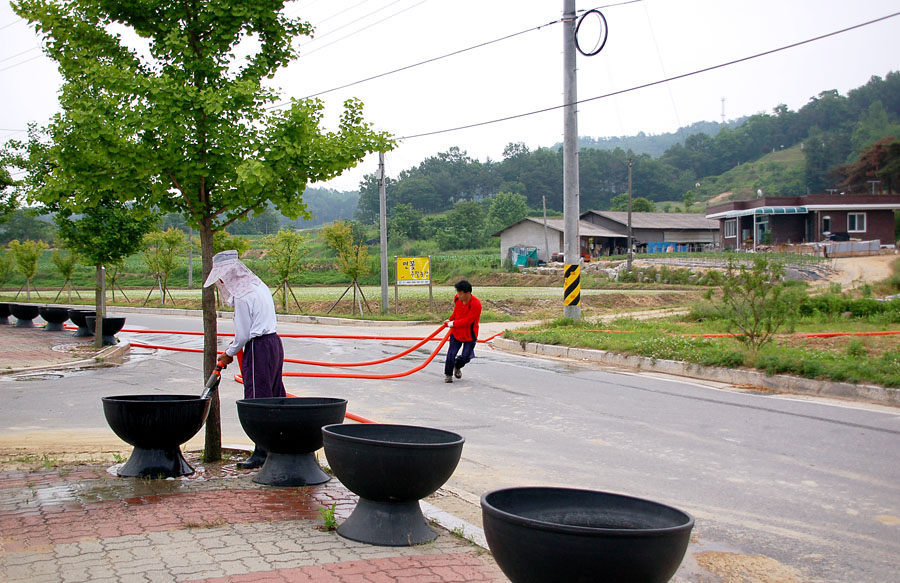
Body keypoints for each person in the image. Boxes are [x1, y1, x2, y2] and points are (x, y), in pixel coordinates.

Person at [203, 249, 286, 469]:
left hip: (258, 347)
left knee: (257, 400)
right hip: (275, 344)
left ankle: (262, 451)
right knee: (275, 395)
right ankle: (279, 446)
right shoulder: (260, 286)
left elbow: (242, 335)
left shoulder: (242, 296)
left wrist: (227, 354)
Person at [442, 280, 482, 383]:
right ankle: (448, 375)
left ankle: (457, 365)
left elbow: (468, 321)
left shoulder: (476, 304)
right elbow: (456, 311)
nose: (458, 295)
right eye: (458, 293)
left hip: (470, 334)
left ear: (468, 293)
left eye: (460, 293)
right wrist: (450, 319)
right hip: (456, 332)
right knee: (451, 353)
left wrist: (453, 323)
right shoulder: (457, 299)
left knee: (466, 357)